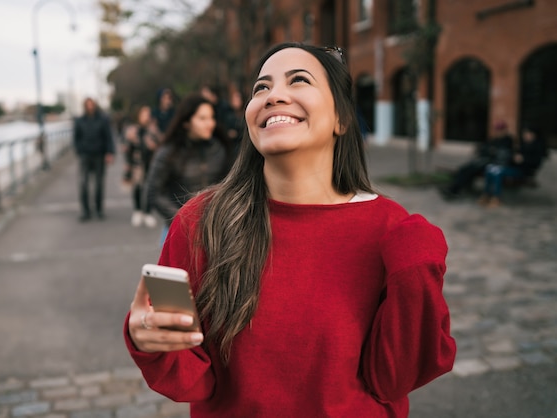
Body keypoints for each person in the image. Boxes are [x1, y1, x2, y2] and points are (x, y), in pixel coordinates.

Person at [124, 42, 456, 417]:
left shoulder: (393, 230)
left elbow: (394, 379)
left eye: (298, 81)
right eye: (261, 88)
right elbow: (192, 381)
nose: (273, 96)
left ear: (341, 120)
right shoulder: (199, 221)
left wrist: (417, 271)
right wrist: (151, 339)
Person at [144, 93, 231, 245]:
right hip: (178, 230)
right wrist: (182, 220)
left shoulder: (219, 149)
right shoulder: (168, 153)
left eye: (211, 117)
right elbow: (154, 193)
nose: (210, 123)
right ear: (186, 122)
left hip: (215, 232)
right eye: (202, 118)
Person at [438, 120, 514, 199]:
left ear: (504, 130)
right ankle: (453, 189)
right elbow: (485, 149)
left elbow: (500, 154)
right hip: (484, 161)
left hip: (493, 164)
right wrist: (488, 150)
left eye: (500, 130)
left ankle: (454, 190)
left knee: (471, 169)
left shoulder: (507, 140)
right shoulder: (494, 139)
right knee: (463, 169)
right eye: (497, 130)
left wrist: (490, 151)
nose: (498, 132)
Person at [479, 127, 548, 207]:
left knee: (498, 172)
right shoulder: (522, 144)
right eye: (525, 134)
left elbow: (536, 162)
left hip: (525, 170)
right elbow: (513, 156)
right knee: (490, 169)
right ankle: (487, 194)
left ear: (533, 135)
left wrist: (523, 159)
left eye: (528, 134)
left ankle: (496, 197)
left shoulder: (538, 146)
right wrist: (513, 157)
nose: (525, 136)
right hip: (514, 167)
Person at [73, 97, 115, 221]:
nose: (90, 107)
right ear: (85, 106)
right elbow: (76, 138)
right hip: (85, 155)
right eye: (88, 105)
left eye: (92, 105)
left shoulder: (103, 119)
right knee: (84, 183)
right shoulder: (80, 120)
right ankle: (85, 211)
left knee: (99, 184)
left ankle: (99, 209)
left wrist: (109, 152)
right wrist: (80, 150)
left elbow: (108, 137)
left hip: (99, 155)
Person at [122, 105, 160, 227]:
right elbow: (127, 148)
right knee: (137, 188)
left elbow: (159, 145)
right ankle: (137, 211)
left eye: (148, 114)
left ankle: (148, 212)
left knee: (149, 188)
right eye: (144, 114)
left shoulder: (153, 130)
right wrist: (128, 164)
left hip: (151, 163)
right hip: (137, 164)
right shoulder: (133, 130)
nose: (146, 116)